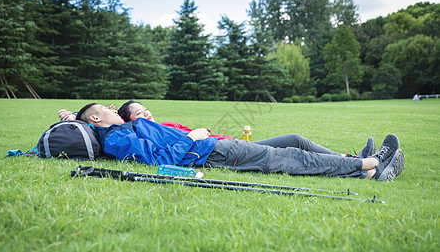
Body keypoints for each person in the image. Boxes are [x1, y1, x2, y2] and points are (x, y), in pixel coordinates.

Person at [75, 103, 405, 181]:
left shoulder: (123, 132)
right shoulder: (119, 137)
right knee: (288, 155)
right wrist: (192, 136)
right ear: (94, 119)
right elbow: (155, 161)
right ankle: (372, 164)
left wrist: (70, 118)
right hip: (210, 151)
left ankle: (370, 170)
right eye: (103, 108)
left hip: (212, 147)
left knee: (289, 150)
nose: (108, 106)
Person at [59, 100, 375, 158]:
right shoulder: (142, 131)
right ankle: (354, 162)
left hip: (227, 141)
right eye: (140, 113)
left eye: (146, 109)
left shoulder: (166, 125)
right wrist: (71, 115)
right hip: (220, 148)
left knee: (295, 142)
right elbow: (95, 119)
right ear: (131, 120)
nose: (147, 114)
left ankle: (349, 157)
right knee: (293, 143)